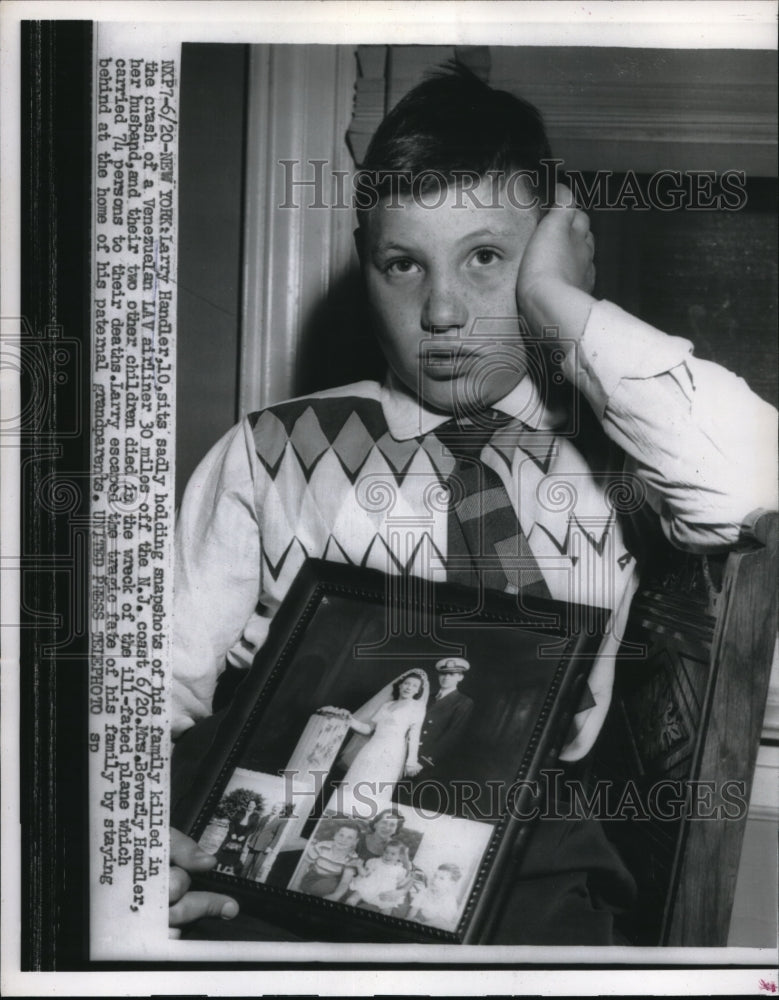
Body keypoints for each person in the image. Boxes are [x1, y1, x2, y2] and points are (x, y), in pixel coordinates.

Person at [169, 66, 778, 940]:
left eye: (486, 258)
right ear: (364, 261)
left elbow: (753, 489)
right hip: (281, 860)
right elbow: (144, 690)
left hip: (529, 863)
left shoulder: (625, 447)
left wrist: (563, 305)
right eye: (402, 264)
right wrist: (123, 843)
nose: (443, 310)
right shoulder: (274, 451)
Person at [325, 669, 429, 812]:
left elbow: (415, 735)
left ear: (418, 691)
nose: (409, 687)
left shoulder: (417, 707)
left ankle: (363, 817)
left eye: (414, 686)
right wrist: (349, 719)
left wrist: (411, 761)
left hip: (392, 751)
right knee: (357, 779)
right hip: (372, 747)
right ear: (400, 685)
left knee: (375, 786)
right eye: (407, 683)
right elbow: (368, 729)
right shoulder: (386, 705)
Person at [417, 657, 474, 775]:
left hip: (426, 759)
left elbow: (452, 734)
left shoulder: (463, 702)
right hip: (410, 751)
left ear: (460, 677)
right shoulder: (428, 697)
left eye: (452, 674)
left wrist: (426, 760)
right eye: (443, 674)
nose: (446, 677)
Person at [294, 822, 362, 899]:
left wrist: (336, 895)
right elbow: (304, 864)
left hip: (332, 879)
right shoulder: (322, 846)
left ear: (355, 841)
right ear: (335, 835)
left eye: (349, 838)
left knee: (338, 887)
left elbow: (345, 881)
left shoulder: (352, 857)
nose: (343, 840)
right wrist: (296, 885)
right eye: (341, 835)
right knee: (327, 885)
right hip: (313, 876)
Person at [345, 840, 412, 913]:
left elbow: (400, 883)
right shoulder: (375, 862)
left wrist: (397, 891)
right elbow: (364, 874)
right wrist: (359, 866)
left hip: (384, 892)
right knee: (353, 898)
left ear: (399, 857)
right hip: (368, 887)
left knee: (387, 908)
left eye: (393, 854)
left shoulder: (399, 869)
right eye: (386, 852)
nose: (388, 855)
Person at [407, 863, 463, 932]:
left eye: (441, 878)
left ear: (451, 884)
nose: (435, 880)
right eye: (435, 876)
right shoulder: (424, 892)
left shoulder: (450, 901)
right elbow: (412, 912)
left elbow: (439, 921)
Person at [213, 798, 260, 875]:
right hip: (232, 833)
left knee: (235, 853)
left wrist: (244, 836)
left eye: (253, 805)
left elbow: (252, 828)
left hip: (242, 836)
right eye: (250, 804)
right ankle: (217, 867)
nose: (251, 806)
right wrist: (232, 833)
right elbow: (232, 823)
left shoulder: (256, 816)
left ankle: (225, 869)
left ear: (255, 806)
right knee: (224, 850)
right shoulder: (240, 812)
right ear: (248, 805)